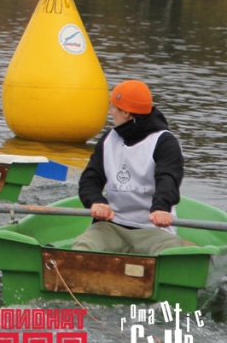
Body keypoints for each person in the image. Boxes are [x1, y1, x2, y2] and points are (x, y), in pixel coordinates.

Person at [72, 79, 191, 255]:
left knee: (170, 253)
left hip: (153, 228)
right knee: (83, 248)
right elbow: (90, 178)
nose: (110, 112)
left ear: (126, 113)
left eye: (113, 107)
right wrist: (96, 201)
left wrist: (161, 208)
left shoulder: (164, 142)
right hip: (112, 225)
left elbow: (168, 179)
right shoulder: (108, 139)